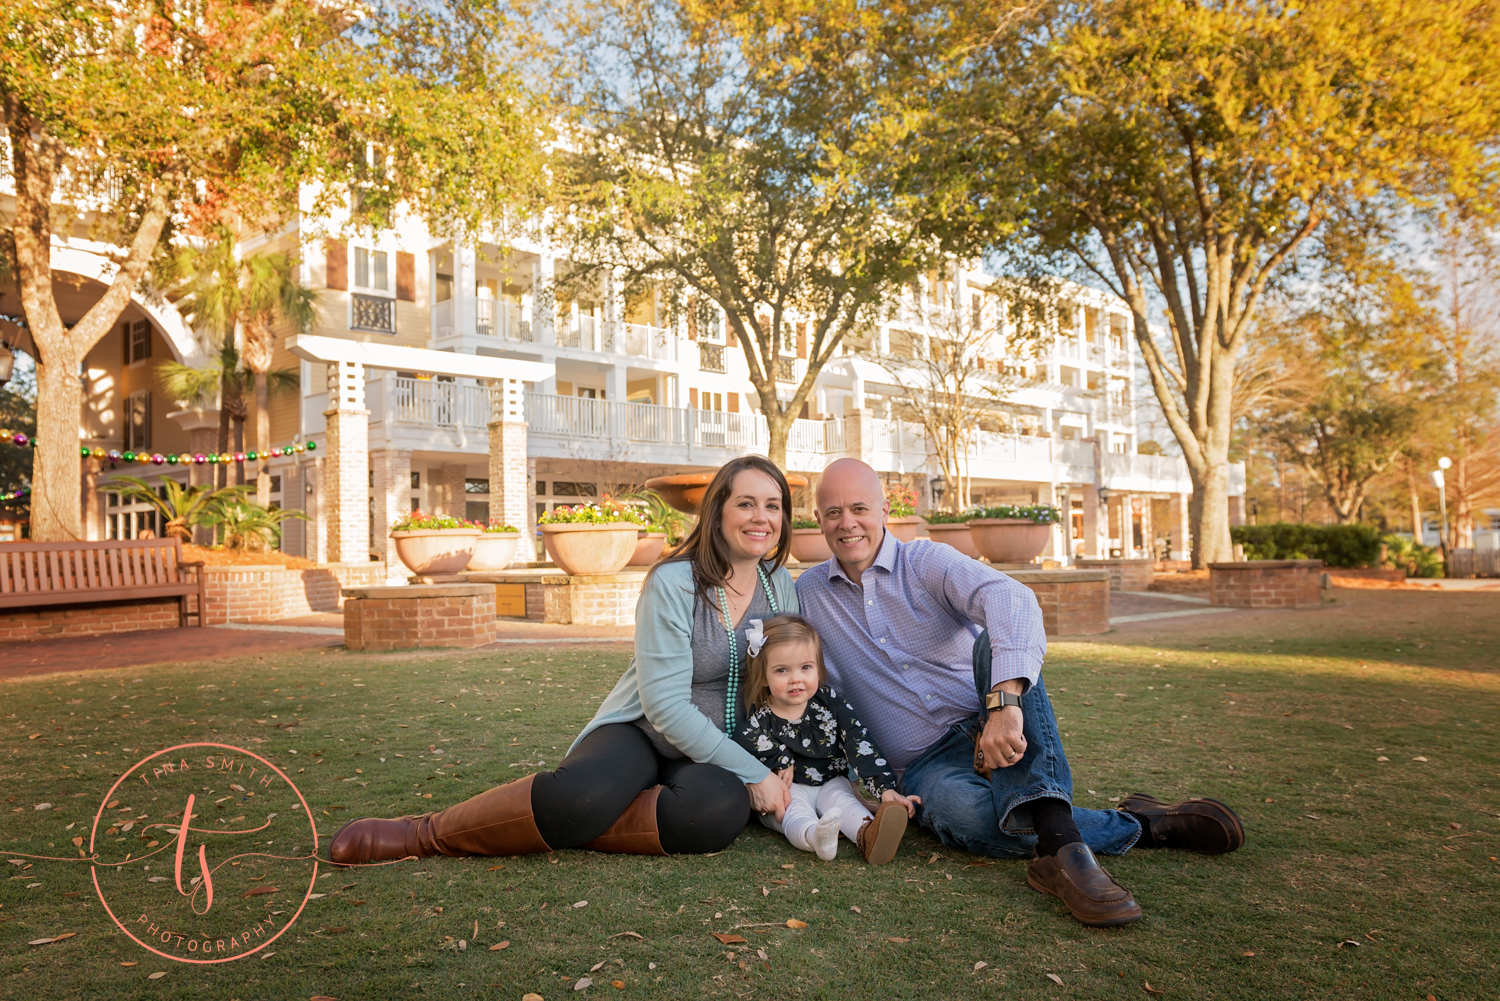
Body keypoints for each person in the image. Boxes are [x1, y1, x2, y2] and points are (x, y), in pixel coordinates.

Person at [794, 458, 1244, 927]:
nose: (847, 523)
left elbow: (1013, 598)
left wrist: (1005, 707)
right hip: (924, 764)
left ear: (885, 509)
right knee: (966, 818)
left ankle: (1060, 854)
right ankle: (1141, 826)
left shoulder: (926, 561)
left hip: (990, 715)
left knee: (997, 640)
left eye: (860, 508)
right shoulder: (808, 595)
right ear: (819, 520)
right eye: (832, 512)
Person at [329, 456, 798, 864]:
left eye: (772, 505)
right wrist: (755, 774)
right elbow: (667, 708)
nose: (762, 517)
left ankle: (582, 823)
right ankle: (424, 833)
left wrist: (775, 758)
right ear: (717, 512)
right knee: (581, 795)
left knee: (718, 812)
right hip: (642, 732)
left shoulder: (781, 588)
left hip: (713, 751)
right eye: (746, 503)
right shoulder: (674, 583)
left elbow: (786, 681)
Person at [732, 614, 920, 864]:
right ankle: (815, 836)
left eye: (805, 667)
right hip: (788, 788)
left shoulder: (830, 702)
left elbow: (859, 741)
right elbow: (742, 740)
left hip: (831, 781)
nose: (795, 678)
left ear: (819, 668)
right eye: (782, 670)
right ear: (764, 677)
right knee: (794, 814)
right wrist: (779, 755)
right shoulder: (760, 713)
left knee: (845, 803)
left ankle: (868, 834)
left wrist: (885, 788)